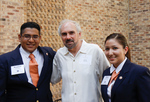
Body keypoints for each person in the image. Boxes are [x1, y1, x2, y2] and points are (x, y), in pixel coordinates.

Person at [51, 19, 110, 102]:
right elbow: (53, 78)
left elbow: (108, 78)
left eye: (71, 33)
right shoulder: (60, 54)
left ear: (79, 34)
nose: (68, 37)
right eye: (64, 34)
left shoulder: (94, 51)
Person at [0, 22, 55, 102]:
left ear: (40, 38)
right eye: (27, 36)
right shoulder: (5, 60)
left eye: (35, 37)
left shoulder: (48, 54)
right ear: (19, 37)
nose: (31, 40)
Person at [101, 33, 150, 102]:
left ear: (125, 50)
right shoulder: (106, 73)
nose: (110, 53)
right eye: (107, 49)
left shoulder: (139, 72)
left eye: (115, 48)